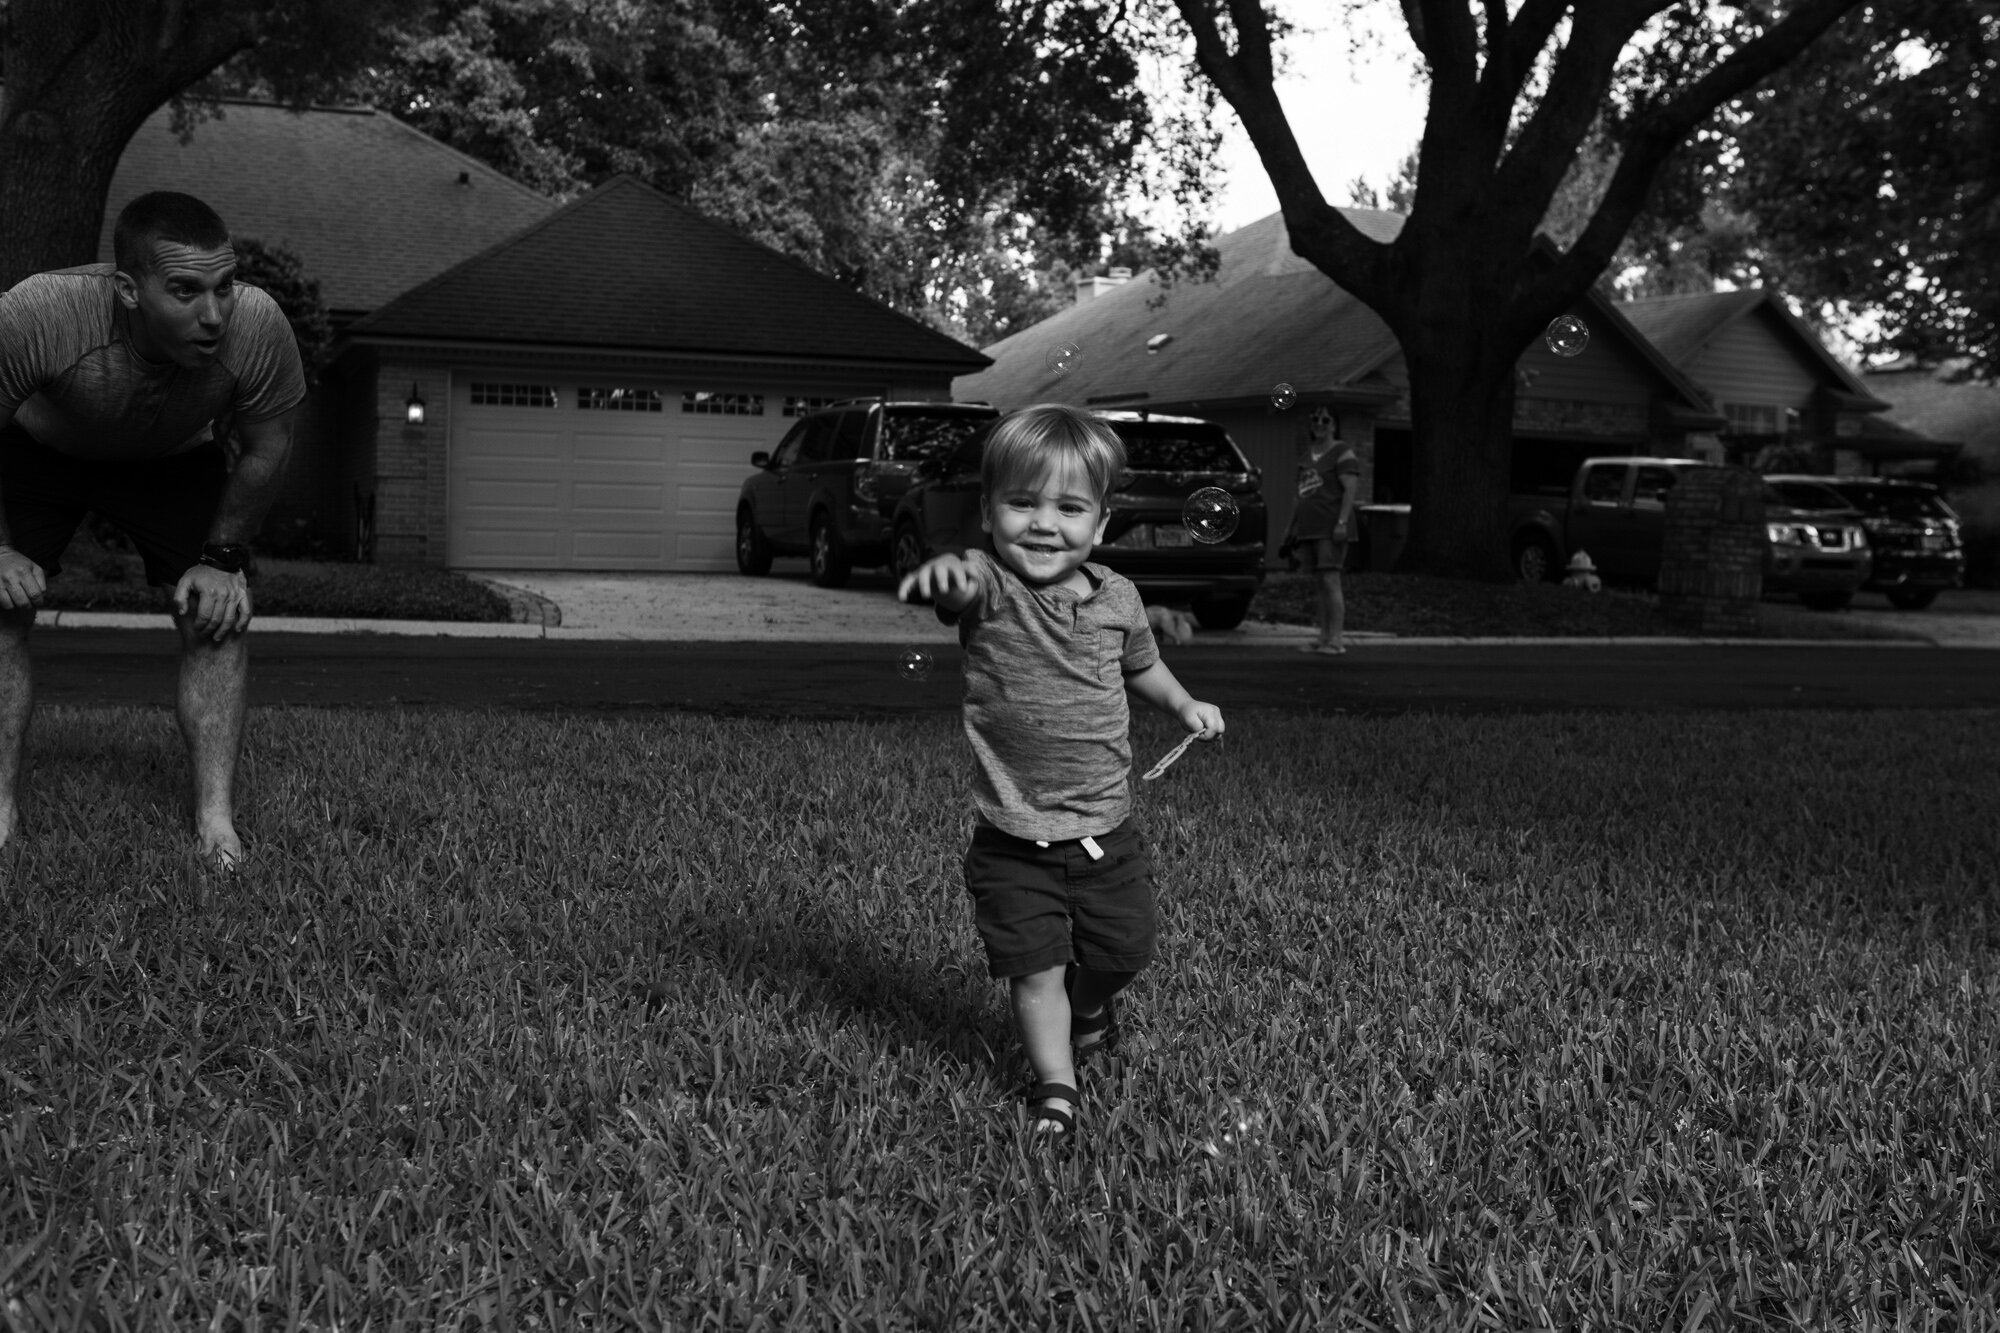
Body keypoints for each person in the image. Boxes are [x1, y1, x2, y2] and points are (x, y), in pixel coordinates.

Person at [897, 403, 1224, 1139]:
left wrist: (1183, 701)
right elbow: (960, 584)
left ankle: (1095, 1003)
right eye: (1022, 503)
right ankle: (1056, 1084)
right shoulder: (991, 586)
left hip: (1107, 831)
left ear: (1101, 524)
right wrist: (947, 572)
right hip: (1014, 837)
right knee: (1034, 968)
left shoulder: (1118, 598)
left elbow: (1144, 666)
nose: (1044, 523)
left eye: (1069, 507)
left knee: (1125, 950)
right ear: (988, 512)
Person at [0, 191, 305, 866]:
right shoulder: (39, 313)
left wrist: (224, 555)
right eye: (186, 291)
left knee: (219, 612)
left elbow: (267, 446)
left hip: (171, 456)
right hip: (44, 451)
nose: (215, 314)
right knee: (1, 606)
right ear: (128, 292)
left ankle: (216, 822)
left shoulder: (256, 327)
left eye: (225, 286)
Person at [1287, 406, 1362, 654]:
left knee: (1331, 580)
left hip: (1331, 528)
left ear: (1334, 425)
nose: (1319, 423)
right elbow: (1300, 497)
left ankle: (1337, 640)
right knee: (1319, 583)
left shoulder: (1342, 452)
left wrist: (1341, 522)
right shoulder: (1307, 456)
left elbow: (1350, 489)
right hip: (1309, 529)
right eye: (1315, 418)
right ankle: (1322, 637)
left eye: (1325, 419)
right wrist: (1290, 529)